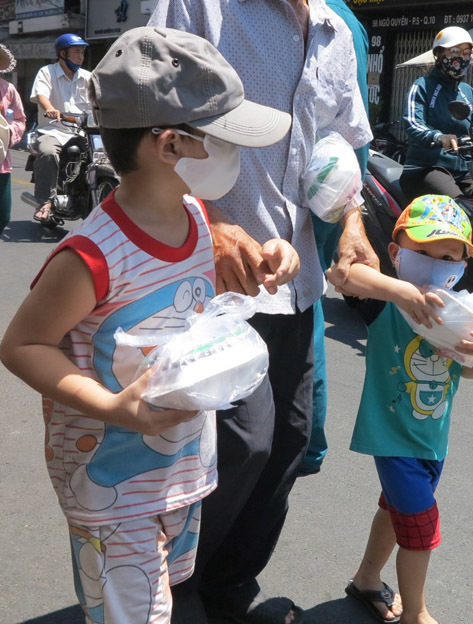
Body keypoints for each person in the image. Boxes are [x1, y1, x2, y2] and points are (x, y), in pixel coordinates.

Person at [0, 26, 294, 623]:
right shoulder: (91, 255)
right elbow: (23, 343)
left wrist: (269, 257)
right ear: (169, 146)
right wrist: (115, 409)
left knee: (154, 597)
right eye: (221, 138)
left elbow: (182, 303)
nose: (236, 154)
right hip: (110, 482)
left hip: (178, 466)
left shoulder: (191, 217)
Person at [148, 2, 376, 623]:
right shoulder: (203, 6)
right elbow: (149, 112)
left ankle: (226, 597)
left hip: (291, 279)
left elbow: (340, 142)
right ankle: (173, 591)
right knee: (242, 441)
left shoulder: (336, 30)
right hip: (206, 281)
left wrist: (352, 221)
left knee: (289, 443)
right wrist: (208, 222)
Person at [329, 194, 473, 624]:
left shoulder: (460, 311)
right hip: (392, 439)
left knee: (396, 511)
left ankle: (367, 577)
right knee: (421, 528)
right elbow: (344, 275)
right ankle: (416, 613)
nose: (435, 264)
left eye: (447, 257)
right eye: (422, 253)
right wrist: (402, 291)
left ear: (461, 266)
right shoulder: (385, 302)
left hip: (431, 440)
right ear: (396, 254)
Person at [301, 0, 372, 476]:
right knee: (307, 297)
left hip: (322, 188)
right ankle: (306, 438)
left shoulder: (339, 25)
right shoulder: (348, 21)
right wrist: (352, 208)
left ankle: (302, 439)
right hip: (337, 186)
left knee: (300, 298)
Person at [401, 26, 473, 200]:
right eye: (455, 51)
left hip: (463, 171)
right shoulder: (422, 86)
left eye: (466, 53)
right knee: (459, 205)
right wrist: (439, 137)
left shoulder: (468, 92)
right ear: (439, 54)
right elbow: (412, 123)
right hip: (427, 168)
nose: (461, 57)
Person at [29, 33, 92, 223]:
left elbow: (99, 102)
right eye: (77, 52)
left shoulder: (88, 77)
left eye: (82, 52)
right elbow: (41, 95)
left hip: (82, 131)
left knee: (104, 156)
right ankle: (45, 202)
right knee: (48, 153)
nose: (81, 57)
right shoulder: (47, 72)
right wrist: (49, 108)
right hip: (53, 129)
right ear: (63, 53)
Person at [0, 43, 26, 237]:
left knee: (3, 214)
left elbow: (20, 118)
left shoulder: (8, 89)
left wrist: (8, 132)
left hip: (2, 160)